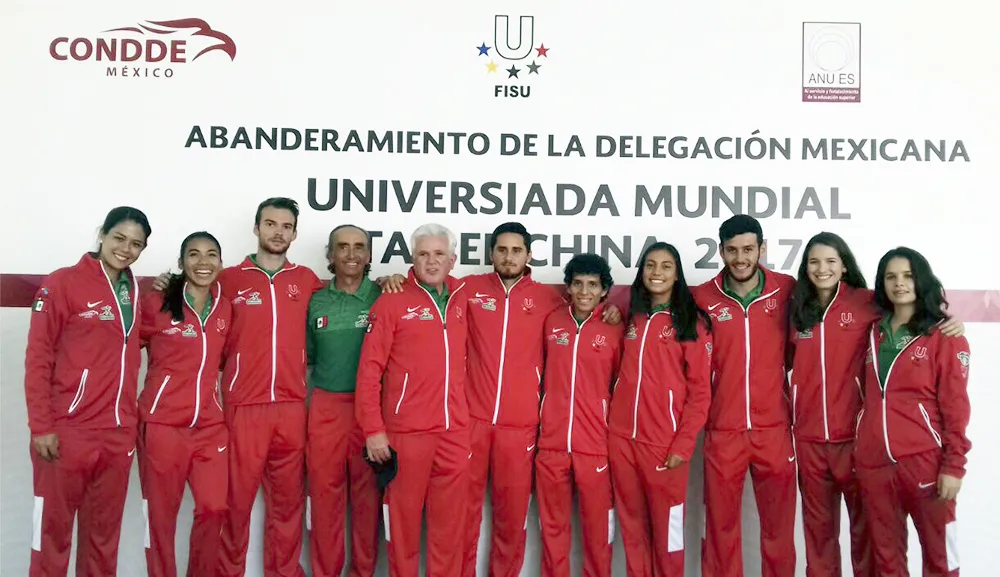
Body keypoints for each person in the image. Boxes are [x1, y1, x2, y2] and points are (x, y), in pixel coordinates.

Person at [379, 222, 622, 577]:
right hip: (470, 424)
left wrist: (611, 311)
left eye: (516, 250)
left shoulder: (549, 300)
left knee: (512, 518)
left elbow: (586, 313)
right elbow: (427, 284)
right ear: (492, 253)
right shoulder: (467, 289)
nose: (509, 257)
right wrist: (392, 278)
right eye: (502, 250)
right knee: (462, 514)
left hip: (520, 428)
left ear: (529, 254)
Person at [788, 233, 965, 577]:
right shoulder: (796, 311)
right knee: (823, 538)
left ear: (844, 265)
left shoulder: (866, 304)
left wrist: (950, 322)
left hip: (856, 443)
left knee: (868, 539)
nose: (822, 269)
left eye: (830, 261)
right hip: (812, 441)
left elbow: (913, 314)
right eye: (814, 261)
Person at [24, 206, 151, 577]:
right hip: (67, 431)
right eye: (119, 238)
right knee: (51, 537)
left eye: (136, 244)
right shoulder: (62, 282)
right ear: (102, 234)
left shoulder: (133, 291)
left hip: (117, 435)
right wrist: (41, 425)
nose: (126, 249)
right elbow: (38, 357)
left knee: (103, 540)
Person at [355, 223, 471, 577]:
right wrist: (374, 430)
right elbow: (369, 371)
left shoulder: (463, 296)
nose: (431, 262)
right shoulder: (392, 301)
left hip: (454, 432)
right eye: (423, 254)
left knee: (449, 530)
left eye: (439, 254)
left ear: (452, 260)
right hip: (406, 434)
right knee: (402, 528)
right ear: (412, 258)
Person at [215, 197, 323, 577]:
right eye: (271, 224)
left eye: (286, 226)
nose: (279, 232)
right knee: (234, 504)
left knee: (288, 505)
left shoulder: (307, 280)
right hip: (244, 406)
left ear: (295, 232)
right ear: (257, 228)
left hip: (292, 407)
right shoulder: (228, 279)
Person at [691, 214, 797, 577]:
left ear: (762, 249)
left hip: (775, 429)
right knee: (720, 532)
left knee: (779, 532)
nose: (740, 258)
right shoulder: (702, 297)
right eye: (732, 250)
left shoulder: (787, 289)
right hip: (724, 430)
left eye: (748, 249)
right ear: (720, 251)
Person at [855, 247, 971, 576]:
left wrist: (954, 465)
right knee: (886, 559)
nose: (899, 284)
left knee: (940, 558)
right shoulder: (872, 332)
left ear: (921, 280)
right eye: (891, 277)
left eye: (907, 276)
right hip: (875, 465)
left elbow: (956, 406)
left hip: (926, 463)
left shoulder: (942, 335)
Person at [607, 242, 713, 576]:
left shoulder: (689, 323)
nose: (657, 273)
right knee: (632, 529)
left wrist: (683, 445)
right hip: (621, 440)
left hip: (664, 447)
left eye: (666, 266)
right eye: (650, 265)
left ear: (677, 274)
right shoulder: (632, 314)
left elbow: (700, 393)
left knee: (668, 534)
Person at [138, 231, 232, 577]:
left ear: (221, 263)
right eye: (193, 255)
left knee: (214, 508)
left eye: (211, 255)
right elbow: (122, 350)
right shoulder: (157, 303)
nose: (202, 262)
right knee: (161, 518)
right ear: (180, 263)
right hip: (163, 426)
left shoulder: (225, 306)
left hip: (209, 427)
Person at [535, 253, 624, 577]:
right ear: (568, 287)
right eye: (578, 284)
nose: (584, 291)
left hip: (595, 446)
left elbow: (621, 386)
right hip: (552, 444)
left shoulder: (616, 329)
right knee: (552, 530)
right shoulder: (552, 322)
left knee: (599, 531)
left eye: (592, 285)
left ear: (604, 290)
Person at [305, 224, 380, 577]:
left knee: (366, 502)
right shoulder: (315, 299)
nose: (351, 254)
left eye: (359, 247)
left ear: (368, 255)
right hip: (325, 409)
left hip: (370, 413)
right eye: (343, 247)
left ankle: (362, 572)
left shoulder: (385, 295)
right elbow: (307, 356)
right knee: (324, 500)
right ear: (330, 255)